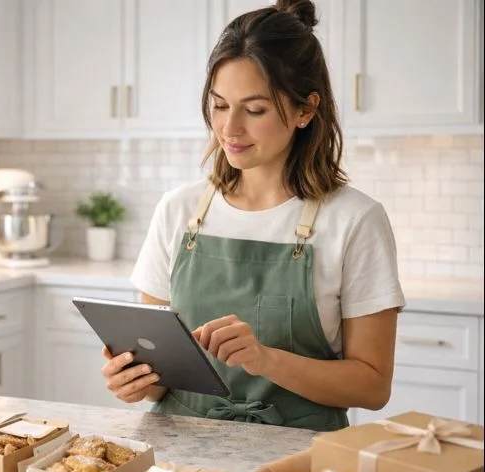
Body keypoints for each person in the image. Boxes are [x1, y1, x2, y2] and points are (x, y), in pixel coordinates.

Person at [100, 0, 405, 432]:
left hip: (300, 462)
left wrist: (265, 360)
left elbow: (373, 387)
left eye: (255, 109)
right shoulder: (179, 210)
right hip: (179, 455)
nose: (229, 128)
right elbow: (157, 379)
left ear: (306, 110)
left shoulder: (354, 220)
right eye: (220, 105)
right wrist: (133, 380)